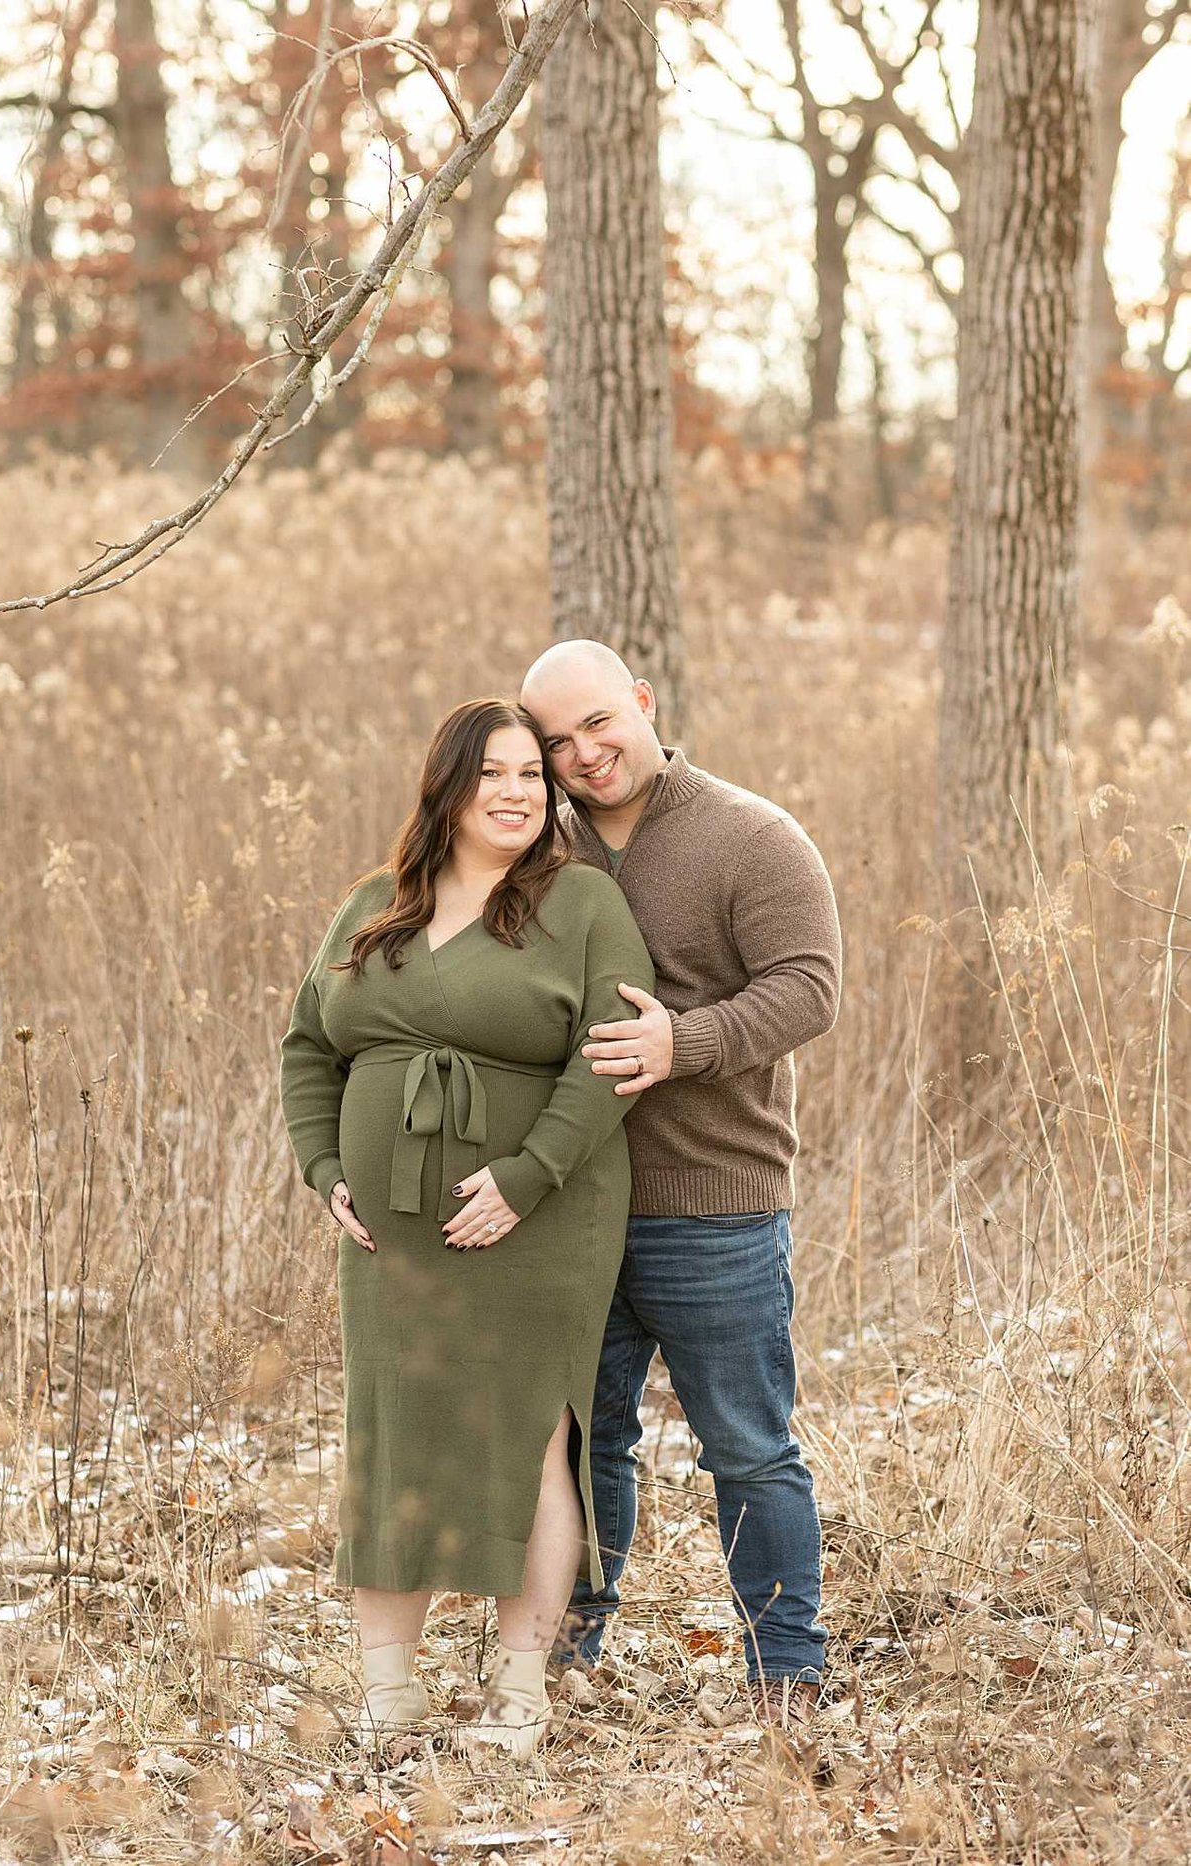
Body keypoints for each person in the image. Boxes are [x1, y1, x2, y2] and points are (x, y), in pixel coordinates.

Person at [279, 697, 654, 1755]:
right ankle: (388, 1694)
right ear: (446, 786)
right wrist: (322, 1168)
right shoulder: (372, 906)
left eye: (532, 776)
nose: (515, 793)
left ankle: (520, 1691)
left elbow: (612, 1050)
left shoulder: (579, 907)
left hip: (537, 1219)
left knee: (530, 1438)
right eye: (492, 773)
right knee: (389, 1436)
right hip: (388, 1232)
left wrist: (526, 1178)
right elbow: (308, 1049)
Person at [520, 639, 841, 1723]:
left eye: (599, 724)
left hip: (714, 1200)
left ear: (644, 703)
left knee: (747, 1446)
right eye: (556, 741)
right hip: (570, 1207)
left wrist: (682, 1043)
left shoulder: (751, 835)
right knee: (575, 1440)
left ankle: (785, 1673)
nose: (583, 754)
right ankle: (567, 1656)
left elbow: (809, 989)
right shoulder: (534, 856)